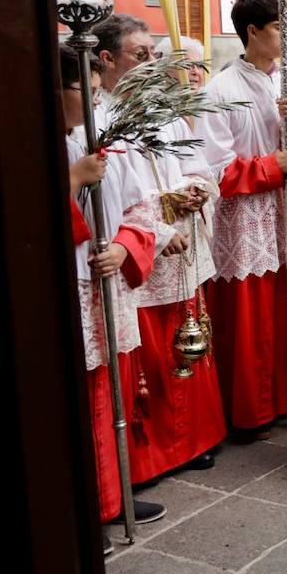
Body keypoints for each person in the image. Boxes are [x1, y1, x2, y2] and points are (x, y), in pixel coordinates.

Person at [93, 17, 228, 481]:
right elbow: (116, 197)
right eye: (140, 54)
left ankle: (194, 440)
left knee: (189, 341)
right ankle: (155, 455)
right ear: (107, 59)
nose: (151, 63)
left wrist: (195, 187)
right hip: (146, 253)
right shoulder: (103, 118)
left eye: (154, 54)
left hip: (184, 241)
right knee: (152, 353)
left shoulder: (165, 112)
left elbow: (197, 162)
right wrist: (162, 224)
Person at [200, 0, 287, 439]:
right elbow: (211, 168)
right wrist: (270, 167)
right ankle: (254, 408)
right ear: (252, 31)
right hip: (247, 220)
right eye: (280, 28)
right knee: (253, 316)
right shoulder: (219, 90)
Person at [60, 45, 165, 546]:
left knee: (114, 387)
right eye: (86, 89)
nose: (96, 98)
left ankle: (113, 492)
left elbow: (140, 206)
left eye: (99, 88)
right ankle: (85, 506)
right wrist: (72, 181)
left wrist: (125, 247)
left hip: (108, 282)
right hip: (72, 285)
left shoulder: (105, 140)